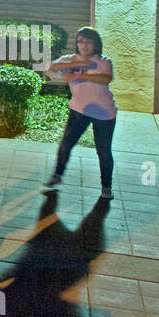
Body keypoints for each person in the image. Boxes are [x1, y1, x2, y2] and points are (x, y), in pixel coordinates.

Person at [41, 27, 117, 201]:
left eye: (88, 41)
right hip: (78, 110)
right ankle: (57, 176)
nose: (84, 45)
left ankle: (106, 186)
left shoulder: (104, 61)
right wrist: (76, 65)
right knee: (66, 145)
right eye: (81, 41)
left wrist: (80, 76)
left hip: (104, 114)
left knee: (103, 151)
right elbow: (51, 67)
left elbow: (106, 78)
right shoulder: (70, 60)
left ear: (96, 44)